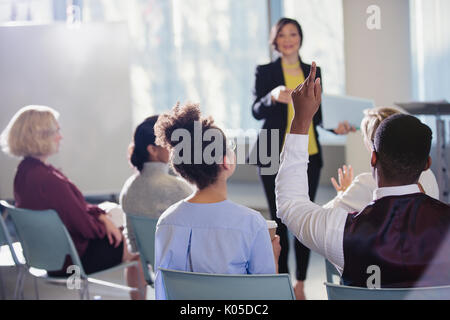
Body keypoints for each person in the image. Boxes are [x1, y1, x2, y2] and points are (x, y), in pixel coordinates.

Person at [276, 63, 450, 288]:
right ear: (427, 164)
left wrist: (301, 120)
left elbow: (290, 205)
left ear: (373, 159)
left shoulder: (340, 231)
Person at [250, 17, 354, 299]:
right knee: (279, 221)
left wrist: (338, 126)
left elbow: (317, 116)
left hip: (308, 154)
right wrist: (272, 96)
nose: (287, 39)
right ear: (275, 40)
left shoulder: (313, 72)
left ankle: (300, 283)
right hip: (272, 153)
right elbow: (256, 110)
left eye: (293, 34)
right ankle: (282, 281)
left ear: (300, 38)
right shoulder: (265, 71)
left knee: (304, 218)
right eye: (282, 35)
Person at [0, 105, 147, 299]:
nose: (60, 136)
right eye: (56, 131)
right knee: (139, 244)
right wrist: (106, 224)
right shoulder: (49, 180)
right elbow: (86, 228)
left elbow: (76, 210)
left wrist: (102, 217)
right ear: (40, 136)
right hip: (70, 263)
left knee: (115, 221)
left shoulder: (23, 172)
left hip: (44, 257)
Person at [153, 103, 281, 300]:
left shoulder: (167, 221)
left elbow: (163, 292)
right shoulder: (251, 223)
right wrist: (273, 258)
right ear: (225, 162)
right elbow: (266, 295)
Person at [325, 107, 440, 212]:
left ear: (372, 146)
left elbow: (322, 218)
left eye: (364, 136)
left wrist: (343, 194)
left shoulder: (366, 183)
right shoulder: (429, 174)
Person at [120, 115, 193, 253]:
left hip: (156, 268)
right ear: (153, 150)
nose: (175, 147)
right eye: (169, 142)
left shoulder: (129, 187)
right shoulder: (178, 188)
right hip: (183, 268)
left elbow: (133, 246)